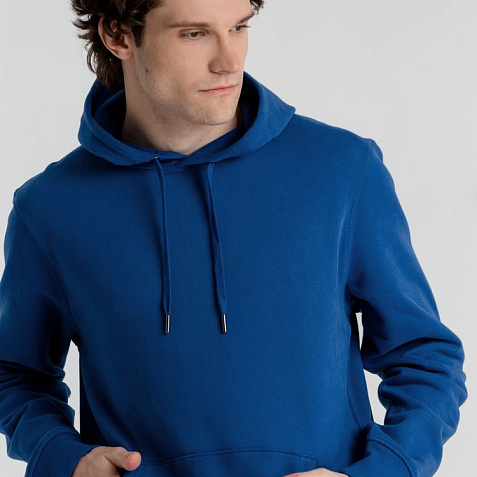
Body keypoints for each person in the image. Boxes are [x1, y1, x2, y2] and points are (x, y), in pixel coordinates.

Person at [0, 0, 468, 476]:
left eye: (239, 27)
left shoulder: (341, 170)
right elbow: (15, 375)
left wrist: (383, 470)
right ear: (118, 36)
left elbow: (425, 356)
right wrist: (66, 458)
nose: (229, 61)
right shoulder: (51, 208)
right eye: (194, 34)